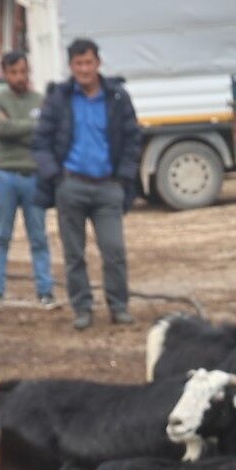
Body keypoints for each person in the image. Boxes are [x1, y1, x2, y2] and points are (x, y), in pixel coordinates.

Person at [38, 37, 142, 328]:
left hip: (108, 186)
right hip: (70, 186)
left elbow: (133, 138)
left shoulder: (117, 97)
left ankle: (119, 307)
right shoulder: (59, 98)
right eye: (78, 63)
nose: (84, 69)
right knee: (74, 255)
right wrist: (55, 177)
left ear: (98, 63)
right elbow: (42, 140)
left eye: (89, 62)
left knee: (114, 251)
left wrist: (124, 177)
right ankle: (82, 309)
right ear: (71, 66)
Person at [0, 50, 53, 305]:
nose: (19, 77)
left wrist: (15, 126)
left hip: (33, 177)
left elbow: (45, 132)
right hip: (4, 176)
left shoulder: (40, 100)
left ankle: (45, 291)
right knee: (1, 235)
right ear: (5, 74)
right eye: (13, 72)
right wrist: (28, 126)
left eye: (23, 71)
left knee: (39, 237)